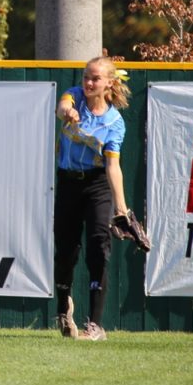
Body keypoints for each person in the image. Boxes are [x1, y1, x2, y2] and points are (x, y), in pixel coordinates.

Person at [53, 56, 131, 341]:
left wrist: (121, 206)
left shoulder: (114, 123)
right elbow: (62, 106)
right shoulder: (74, 97)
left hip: (96, 185)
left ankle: (95, 326)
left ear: (109, 83)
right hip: (68, 181)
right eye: (86, 76)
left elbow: (113, 166)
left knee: (99, 244)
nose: (88, 82)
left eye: (95, 78)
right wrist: (68, 112)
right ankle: (63, 307)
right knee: (66, 251)